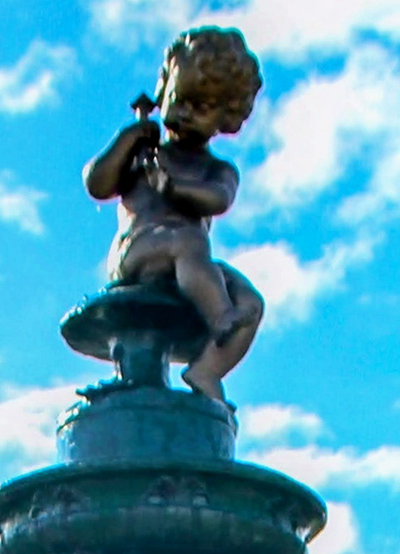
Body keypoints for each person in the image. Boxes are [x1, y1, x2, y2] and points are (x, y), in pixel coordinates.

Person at [84, 26, 265, 402]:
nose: (184, 114)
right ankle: (220, 317)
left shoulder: (217, 169)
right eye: (178, 100)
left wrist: (174, 189)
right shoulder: (143, 155)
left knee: (250, 303)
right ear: (164, 89)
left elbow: (218, 199)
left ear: (227, 116)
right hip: (138, 254)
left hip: (191, 266)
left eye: (201, 108)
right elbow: (98, 185)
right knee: (186, 239)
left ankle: (208, 368)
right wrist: (128, 139)